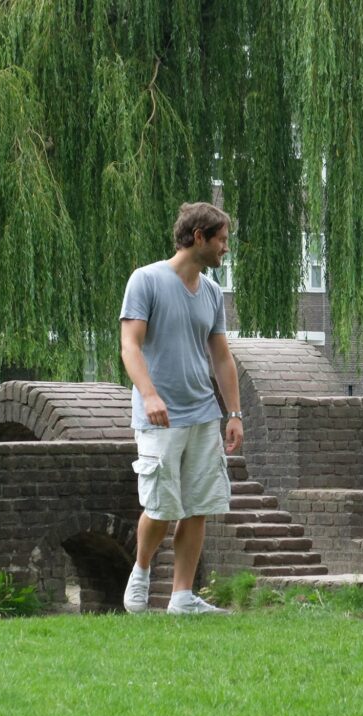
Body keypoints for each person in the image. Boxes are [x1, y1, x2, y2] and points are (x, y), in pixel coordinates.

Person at [120, 201, 243, 614]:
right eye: (221, 240)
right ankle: (141, 570)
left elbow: (222, 357)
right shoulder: (146, 280)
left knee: (198, 505)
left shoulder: (211, 292)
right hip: (160, 417)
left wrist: (235, 414)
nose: (226, 248)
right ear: (198, 238)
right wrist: (150, 394)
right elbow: (130, 345)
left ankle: (182, 597)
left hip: (203, 415)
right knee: (160, 505)